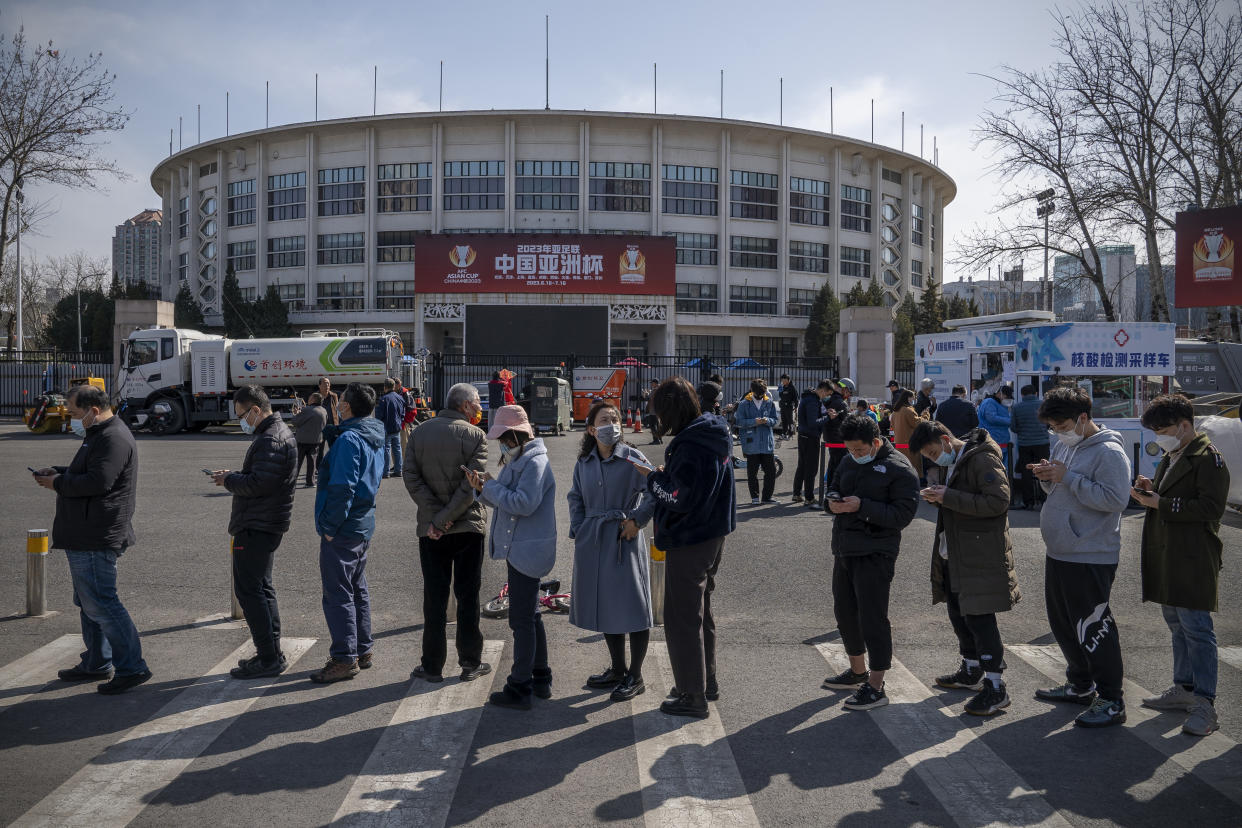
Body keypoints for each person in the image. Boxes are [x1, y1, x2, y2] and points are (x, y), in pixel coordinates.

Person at [33, 384, 151, 695]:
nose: (70, 418)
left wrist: (58, 482)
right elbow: (88, 471)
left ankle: (132, 667)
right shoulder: (99, 434)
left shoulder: (112, 437)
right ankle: (98, 662)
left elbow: (99, 481)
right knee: (88, 604)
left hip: (97, 534)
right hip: (86, 532)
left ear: (93, 411)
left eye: (73, 413)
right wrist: (59, 472)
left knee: (102, 603)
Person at [630, 376, 736, 719]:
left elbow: (679, 497)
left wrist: (653, 477)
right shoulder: (711, 432)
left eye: (660, 413)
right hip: (711, 533)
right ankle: (705, 682)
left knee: (682, 619)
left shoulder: (693, 445)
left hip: (690, 538)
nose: (658, 421)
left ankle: (693, 695)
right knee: (700, 611)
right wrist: (667, 475)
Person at [1028, 386, 1132, 727]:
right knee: (1063, 623)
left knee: (1094, 626)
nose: (1058, 433)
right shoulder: (1064, 444)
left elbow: (1115, 500)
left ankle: (1112, 699)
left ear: (1083, 418)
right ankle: (1080, 684)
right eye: (1053, 428)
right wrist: (1049, 478)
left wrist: (1067, 476)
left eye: (1062, 426)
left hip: (1090, 553)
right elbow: (1061, 486)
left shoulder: (1110, 452)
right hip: (1061, 551)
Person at [1133, 394, 1229, 737]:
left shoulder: (1208, 458)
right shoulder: (1176, 453)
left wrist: (1161, 502)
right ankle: (1184, 687)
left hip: (1193, 555)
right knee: (1175, 621)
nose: (1159, 436)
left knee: (1198, 629)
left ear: (1184, 425)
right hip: (1170, 552)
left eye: (1163, 429)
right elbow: (1169, 494)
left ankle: (1205, 702)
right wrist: (1150, 490)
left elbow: (1210, 508)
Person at [911, 420, 1020, 716]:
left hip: (979, 551)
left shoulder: (982, 457)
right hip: (958, 549)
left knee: (980, 617)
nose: (934, 459)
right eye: (929, 457)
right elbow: (961, 499)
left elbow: (999, 501)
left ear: (946, 440)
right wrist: (939, 497)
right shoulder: (958, 457)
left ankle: (996, 687)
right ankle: (971, 669)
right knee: (959, 611)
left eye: (934, 453)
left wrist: (947, 496)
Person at [821, 414, 919, 711]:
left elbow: (901, 515)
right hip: (845, 548)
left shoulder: (899, 468)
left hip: (876, 551)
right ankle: (857, 670)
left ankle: (876, 684)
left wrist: (862, 507)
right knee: (845, 612)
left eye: (860, 450)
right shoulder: (850, 460)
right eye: (850, 449)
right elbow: (834, 484)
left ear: (876, 443)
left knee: (873, 617)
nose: (854, 455)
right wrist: (833, 500)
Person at [467, 405, 557, 711]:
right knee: (530, 615)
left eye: (503, 438)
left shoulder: (534, 461)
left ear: (516, 435)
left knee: (521, 621)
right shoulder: (521, 459)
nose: (500, 445)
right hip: (522, 548)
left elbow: (522, 503)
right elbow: (508, 500)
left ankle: (520, 686)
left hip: (526, 550)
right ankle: (541, 676)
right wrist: (484, 487)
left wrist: (489, 486)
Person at [567, 401, 656, 702]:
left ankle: (636, 674)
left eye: (615, 418)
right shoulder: (585, 462)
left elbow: (655, 490)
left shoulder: (633, 458)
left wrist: (637, 521)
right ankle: (618, 669)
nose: (612, 424)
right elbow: (575, 495)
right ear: (591, 429)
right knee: (606, 605)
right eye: (605, 419)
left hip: (624, 538)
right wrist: (578, 527)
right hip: (593, 540)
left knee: (634, 607)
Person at [404, 382, 491, 684]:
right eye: (477, 402)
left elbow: (411, 477)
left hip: (430, 530)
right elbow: (471, 485)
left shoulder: (419, 432)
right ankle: (470, 662)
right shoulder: (476, 436)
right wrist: (446, 519)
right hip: (468, 528)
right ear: (465, 405)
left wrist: (436, 519)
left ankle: (432, 666)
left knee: (435, 598)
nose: (480, 407)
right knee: (468, 596)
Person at [213, 385, 298, 679]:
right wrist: (234, 477)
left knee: (250, 591)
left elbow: (258, 484)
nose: (241, 420)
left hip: (257, 525)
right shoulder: (277, 433)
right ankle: (270, 653)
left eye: (242, 415)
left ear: (256, 410)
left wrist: (229, 480)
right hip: (267, 522)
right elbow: (262, 478)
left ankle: (269, 658)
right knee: (262, 589)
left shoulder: (270, 439)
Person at [311, 382, 385, 684]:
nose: (337, 404)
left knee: (338, 593)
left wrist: (329, 527)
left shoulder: (350, 440)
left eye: (340, 400)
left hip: (344, 527)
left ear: (347, 407)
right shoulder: (373, 435)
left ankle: (344, 657)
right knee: (356, 588)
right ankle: (361, 649)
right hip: (362, 523)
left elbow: (343, 488)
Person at [736, 379, 781, 505]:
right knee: (752, 473)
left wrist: (767, 420)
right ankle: (754, 497)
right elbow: (739, 422)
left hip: (767, 443)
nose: (761, 396)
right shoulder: (744, 404)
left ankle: (767, 497)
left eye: (762, 394)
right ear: (752, 391)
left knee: (771, 471)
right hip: (752, 443)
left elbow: (774, 420)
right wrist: (754, 422)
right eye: (758, 394)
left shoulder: (769, 402)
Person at [1010, 384, 1049, 509]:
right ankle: (1045, 500)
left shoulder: (1016, 407)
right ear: (1036, 393)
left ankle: (1029, 502)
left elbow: (1013, 427)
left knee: (1026, 472)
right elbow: (1049, 423)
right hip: (1042, 443)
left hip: (1024, 443)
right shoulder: (1043, 405)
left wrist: (1022, 432)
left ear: (1022, 395)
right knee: (1044, 469)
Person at [793, 380, 832, 506]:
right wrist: (828, 417)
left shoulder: (808, 397)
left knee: (802, 465)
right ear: (822, 390)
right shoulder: (812, 400)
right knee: (811, 468)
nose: (826, 397)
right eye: (827, 394)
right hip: (810, 437)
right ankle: (809, 497)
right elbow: (813, 422)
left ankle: (797, 493)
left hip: (804, 435)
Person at [821, 378, 855, 497]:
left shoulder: (831, 400)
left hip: (831, 438)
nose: (849, 394)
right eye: (849, 391)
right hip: (838, 440)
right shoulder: (839, 402)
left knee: (833, 465)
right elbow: (843, 423)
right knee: (839, 467)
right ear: (844, 389)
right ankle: (835, 491)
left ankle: (831, 490)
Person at [292, 392, 328, 487]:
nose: (308, 399)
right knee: (312, 462)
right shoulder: (324, 410)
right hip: (316, 440)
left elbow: (295, 422)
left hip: (303, 440)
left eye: (310, 397)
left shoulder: (307, 410)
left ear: (313, 400)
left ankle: (292, 481)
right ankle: (310, 482)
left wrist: (296, 414)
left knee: (297, 461)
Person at [375, 378, 408, 478]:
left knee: (386, 450)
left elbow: (379, 416)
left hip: (386, 428)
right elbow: (403, 413)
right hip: (397, 427)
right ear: (393, 386)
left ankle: (385, 472)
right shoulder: (399, 398)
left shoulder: (383, 399)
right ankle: (398, 470)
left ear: (385, 387)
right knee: (397, 449)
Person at [978, 385, 1014, 476]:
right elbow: (991, 418)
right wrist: (1010, 421)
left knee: (1002, 469)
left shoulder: (1000, 404)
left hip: (1002, 442)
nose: (1007, 399)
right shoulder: (989, 402)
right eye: (1006, 396)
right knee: (993, 468)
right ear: (999, 394)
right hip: (993, 441)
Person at [890, 388, 927, 474]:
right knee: (912, 471)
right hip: (909, 446)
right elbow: (918, 424)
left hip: (899, 445)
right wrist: (925, 416)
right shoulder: (908, 410)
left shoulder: (895, 412)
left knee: (901, 469)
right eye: (913, 397)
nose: (914, 400)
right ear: (908, 398)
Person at [316, 377, 341, 467]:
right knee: (319, 450)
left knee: (334, 448)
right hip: (320, 428)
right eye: (325, 383)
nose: (327, 385)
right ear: (319, 385)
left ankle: (334, 465)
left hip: (332, 426)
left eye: (328, 383)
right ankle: (319, 468)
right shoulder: (316, 396)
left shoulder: (333, 396)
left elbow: (338, 411)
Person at [777, 374, 799, 438]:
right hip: (783, 406)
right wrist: (780, 389)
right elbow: (780, 396)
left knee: (790, 421)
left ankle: (791, 433)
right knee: (784, 421)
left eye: (784, 380)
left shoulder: (792, 387)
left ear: (788, 380)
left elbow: (796, 398)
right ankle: (784, 433)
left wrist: (796, 406)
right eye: (782, 380)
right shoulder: (782, 386)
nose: (783, 381)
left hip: (789, 406)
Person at [643, 378, 662, 444]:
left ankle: (656, 440)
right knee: (657, 425)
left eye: (652, 383)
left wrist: (646, 394)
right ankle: (660, 439)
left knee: (653, 425)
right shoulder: (660, 389)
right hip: (657, 410)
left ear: (655, 383)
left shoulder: (655, 390)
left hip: (653, 410)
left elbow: (649, 398)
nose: (651, 384)